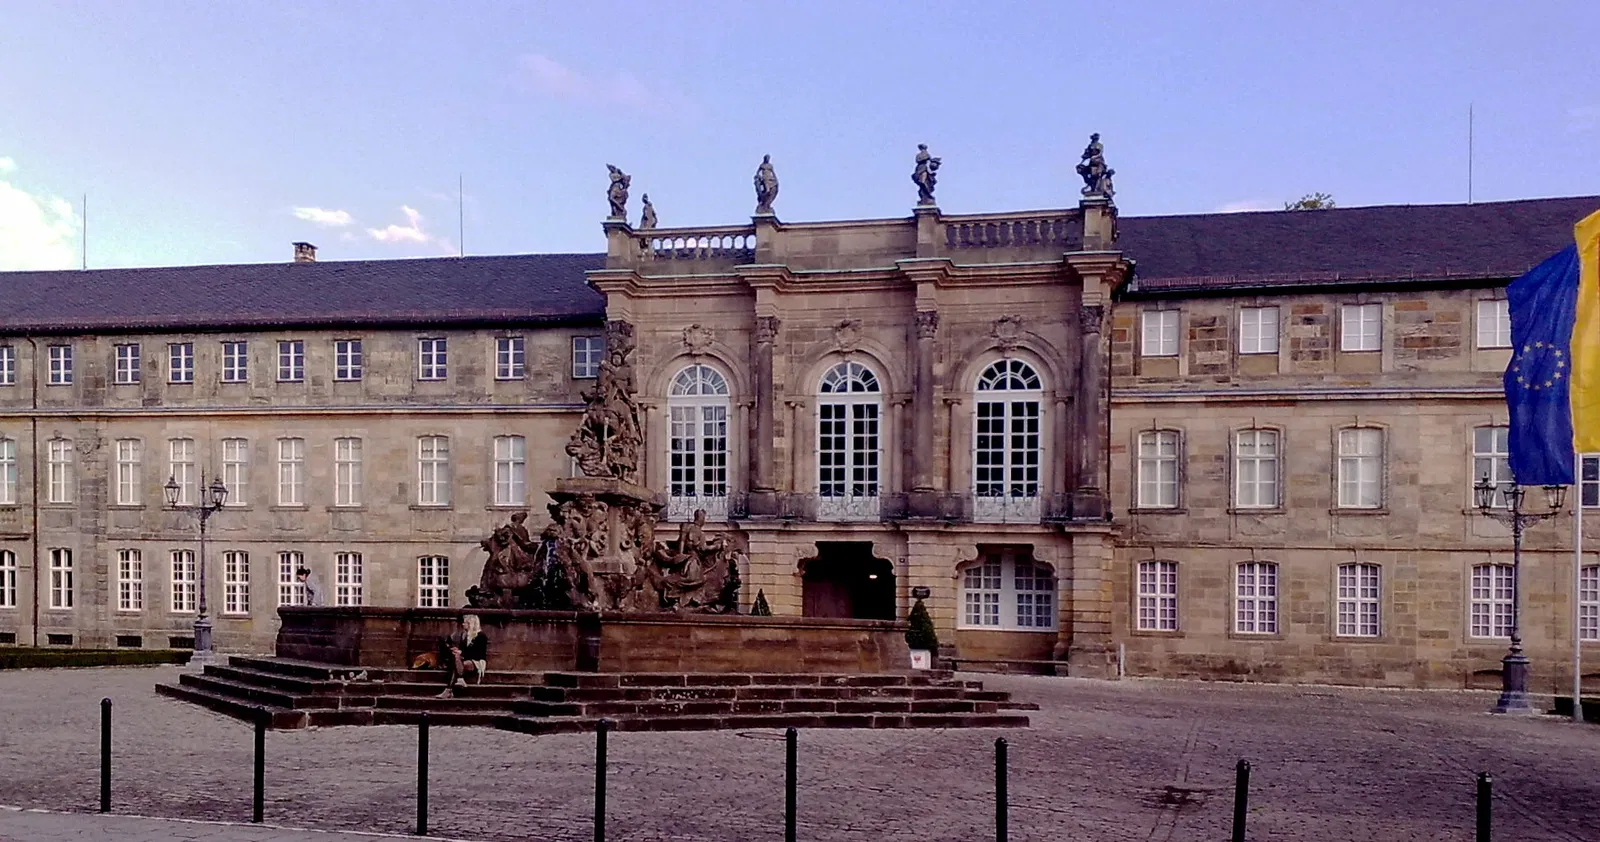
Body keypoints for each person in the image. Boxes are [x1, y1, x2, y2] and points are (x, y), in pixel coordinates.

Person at [437, 615, 489, 698]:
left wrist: (461, 653)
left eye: (465, 623)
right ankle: (458, 681)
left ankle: (449, 689)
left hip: (477, 661)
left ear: (471, 624)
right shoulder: (465, 636)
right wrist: (458, 651)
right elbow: (463, 650)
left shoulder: (481, 636)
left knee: (456, 663)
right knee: (456, 658)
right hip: (465, 659)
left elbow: (479, 654)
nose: (463, 624)